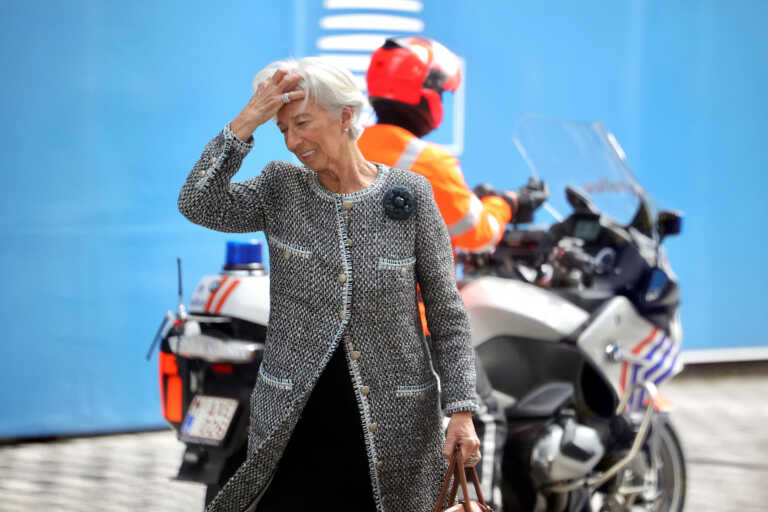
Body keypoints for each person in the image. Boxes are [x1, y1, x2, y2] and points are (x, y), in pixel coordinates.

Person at [178, 57, 482, 512]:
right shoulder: (280, 188)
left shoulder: (412, 195)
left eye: (302, 123)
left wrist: (461, 409)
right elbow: (197, 202)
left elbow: (446, 314)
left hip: (396, 434)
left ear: (345, 116)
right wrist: (248, 120)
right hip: (294, 428)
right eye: (283, 129)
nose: (292, 141)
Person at [357, 36, 549, 509]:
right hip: (412, 329)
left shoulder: (352, 145)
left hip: (352, 324)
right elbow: (477, 232)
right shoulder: (427, 160)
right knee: (485, 415)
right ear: (425, 95)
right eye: (441, 93)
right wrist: (509, 202)